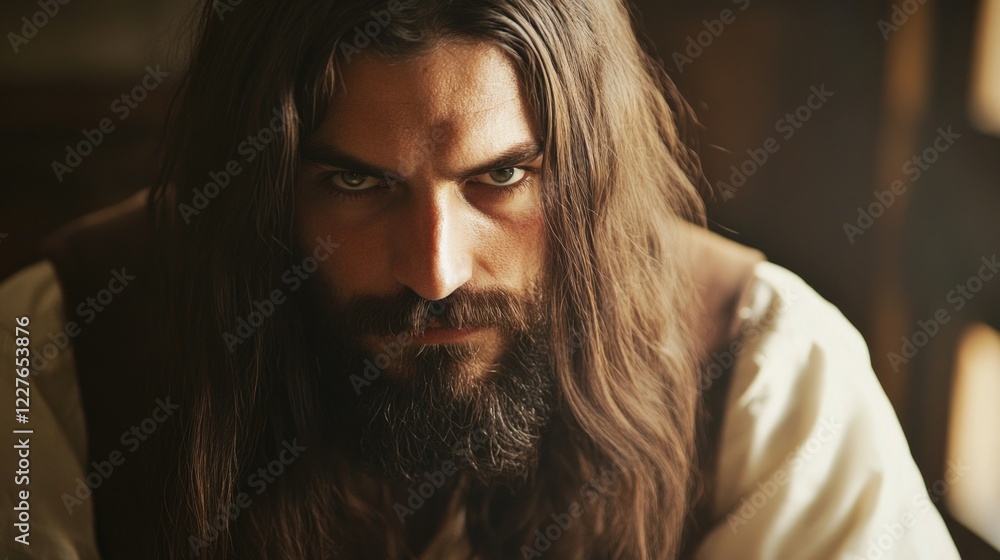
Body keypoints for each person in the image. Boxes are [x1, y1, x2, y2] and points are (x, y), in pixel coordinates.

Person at [0, 0, 961, 558]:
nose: (435, 269)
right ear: (257, 191)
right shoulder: (50, 352)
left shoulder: (771, 370)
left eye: (501, 176)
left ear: (587, 170)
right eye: (353, 182)